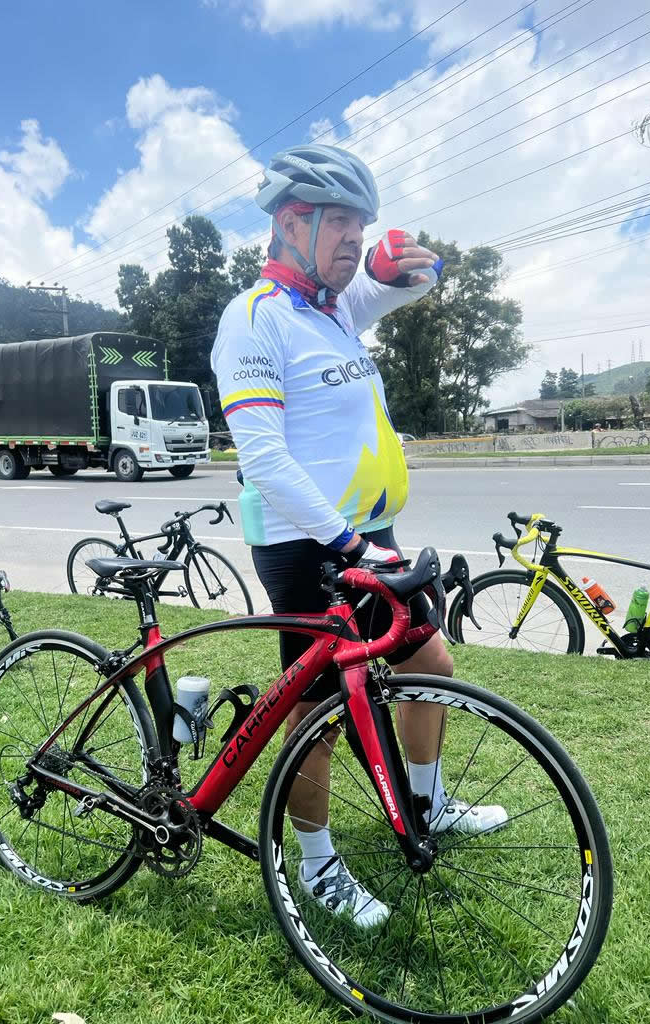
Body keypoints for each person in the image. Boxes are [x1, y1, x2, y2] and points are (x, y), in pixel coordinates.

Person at [210, 144, 506, 927]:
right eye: (339, 221)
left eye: (360, 224)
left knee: (428, 663)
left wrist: (402, 261)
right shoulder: (254, 321)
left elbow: (408, 282)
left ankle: (427, 803)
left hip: (365, 534)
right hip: (308, 545)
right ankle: (315, 865)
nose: (353, 237)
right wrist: (347, 545)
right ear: (290, 223)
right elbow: (264, 460)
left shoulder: (333, 311)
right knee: (318, 712)